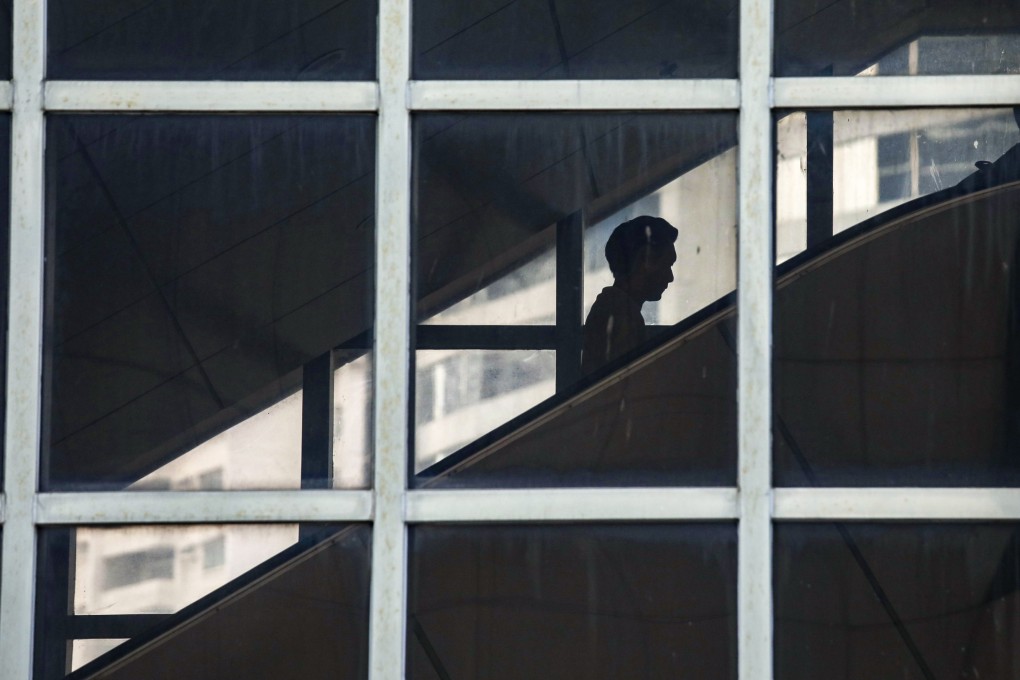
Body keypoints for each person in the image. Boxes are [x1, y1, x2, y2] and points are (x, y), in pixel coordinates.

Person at [580, 215, 678, 375]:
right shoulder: (621, 315)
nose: (670, 277)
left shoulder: (613, 308)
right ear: (645, 261)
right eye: (666, 265)